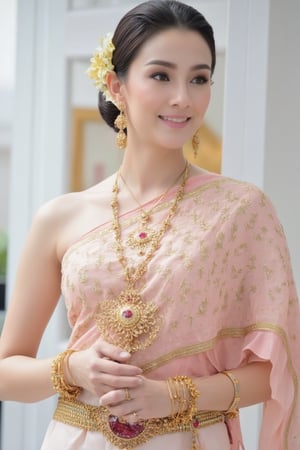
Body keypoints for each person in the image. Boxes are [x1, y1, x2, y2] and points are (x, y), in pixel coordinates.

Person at [0, 0, 299, 449]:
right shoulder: (59, 218)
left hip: (193, 439)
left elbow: (279, 366)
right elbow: (6, 372)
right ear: (116, 85)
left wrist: (174, 396)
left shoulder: (241, 210)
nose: (183, 96)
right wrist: (72, 368)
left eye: (199, 78)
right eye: (161, 75)